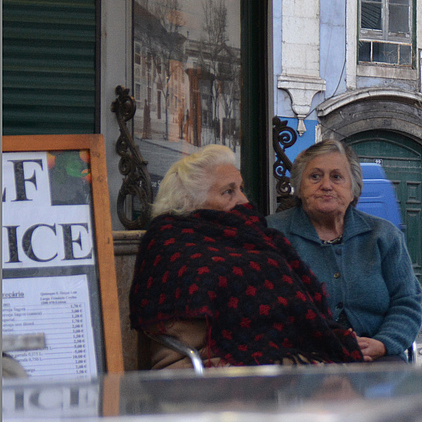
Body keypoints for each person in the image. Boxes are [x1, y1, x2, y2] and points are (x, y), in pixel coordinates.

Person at [130, 144, 363, 368]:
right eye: (229, 191)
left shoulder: (253, 233)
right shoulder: (175, 240)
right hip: (218, 363)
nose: (243, 200)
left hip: (278, 354)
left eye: (241, 188)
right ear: (191, 201)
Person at [268, 139, 422, 362]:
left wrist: (384, 342)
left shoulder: (383, 236)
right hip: (298, 360)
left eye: (337, 177)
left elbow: (407, 300)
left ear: (353, 189)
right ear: (299, 188)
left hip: (375, 359)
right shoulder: (271, 234)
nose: (326, 185)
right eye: (315, 176)